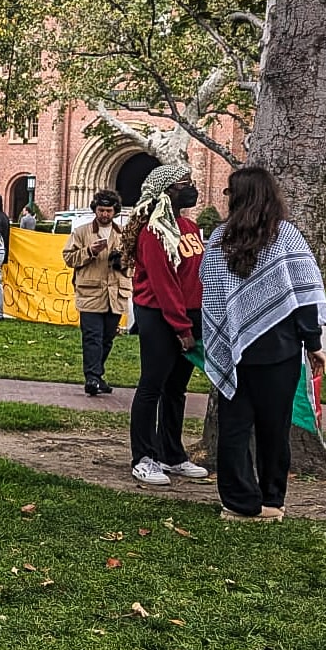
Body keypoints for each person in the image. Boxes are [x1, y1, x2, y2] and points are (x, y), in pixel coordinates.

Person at [201, 167, 326, 522]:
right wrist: (313, 342)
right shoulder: (286, 236)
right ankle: (272, 501)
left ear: (238, 197)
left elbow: (209, 295)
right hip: (280, 350)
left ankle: (238, 502)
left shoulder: (218, 239)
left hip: (233, 349)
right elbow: (304, 298)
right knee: (275, 428)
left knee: (235, 427)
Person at [121, 164, 208, 486]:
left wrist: (196, 320)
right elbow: (163, 282)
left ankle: (172, 454)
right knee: (152, 386)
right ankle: (143, 457)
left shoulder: (190, 226)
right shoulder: (154, 231)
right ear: (168, 191)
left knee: (176, 389)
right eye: (185, 184)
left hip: (189, 315)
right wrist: (180, 328)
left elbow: (196, 277)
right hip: (160, 315)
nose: (192, 188)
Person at [62, 189, 130, 395]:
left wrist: (123, 262)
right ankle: (91, 377)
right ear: (95, 210)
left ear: (115, 211)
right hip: (91, 293)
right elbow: (68, 258)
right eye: (101, 210)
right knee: (92, 336)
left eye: (108, 210)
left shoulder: (124, 234)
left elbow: (136, 263)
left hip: (115, 294)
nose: (104, 214)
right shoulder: (82, 232)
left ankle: (97, 374)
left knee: (107, 337)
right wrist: (90, 252)